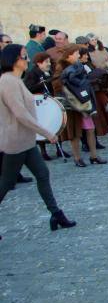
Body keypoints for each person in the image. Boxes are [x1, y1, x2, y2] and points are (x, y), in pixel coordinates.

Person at [0, 44, 76, 234]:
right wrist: (45, 132)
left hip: (26, 140)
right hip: (15, 142)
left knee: (42, 174)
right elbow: (20, 114)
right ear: (14, 60)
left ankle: (56, 214)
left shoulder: (16, 80)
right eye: (23, 57)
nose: (27, 60)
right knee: (7, 183)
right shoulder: (8, 82)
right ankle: (56, 214)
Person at [57, 47, 107, 167]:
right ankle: (77, 158)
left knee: (90, 129)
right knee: (75, 133)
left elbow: (85, 81)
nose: (79, 56)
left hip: (84, 103)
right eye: (76, 54)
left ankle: (94, 156)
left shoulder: (80, 66)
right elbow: (58, 86)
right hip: (72, 105)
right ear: (68, 55)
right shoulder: (61, 68)